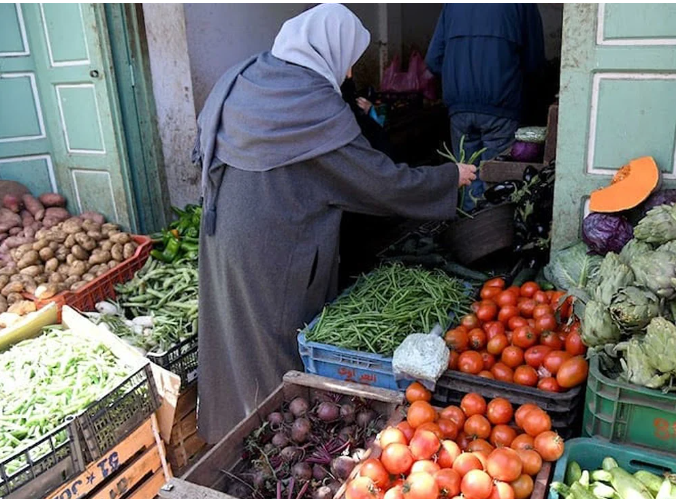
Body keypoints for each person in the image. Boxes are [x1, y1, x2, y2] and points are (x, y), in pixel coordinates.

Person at [193, 4, 477, 444]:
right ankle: (269, 444)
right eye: (348, 59)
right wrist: (446, 179)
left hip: (224, 230)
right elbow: (378, 181)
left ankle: (228, 431)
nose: (347, 73)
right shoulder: (311, 104)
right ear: (329, 48)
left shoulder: (251, 74)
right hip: (274, 243)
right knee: (278, 344)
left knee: (233, 334)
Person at [426, 4, 545, 162]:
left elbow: (433, 60)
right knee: (496, 178)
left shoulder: (452, 5)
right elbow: (534, 64)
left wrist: (459, 79)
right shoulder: (522, 5)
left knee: (466, 176)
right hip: (501, 107)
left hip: (459, 109)